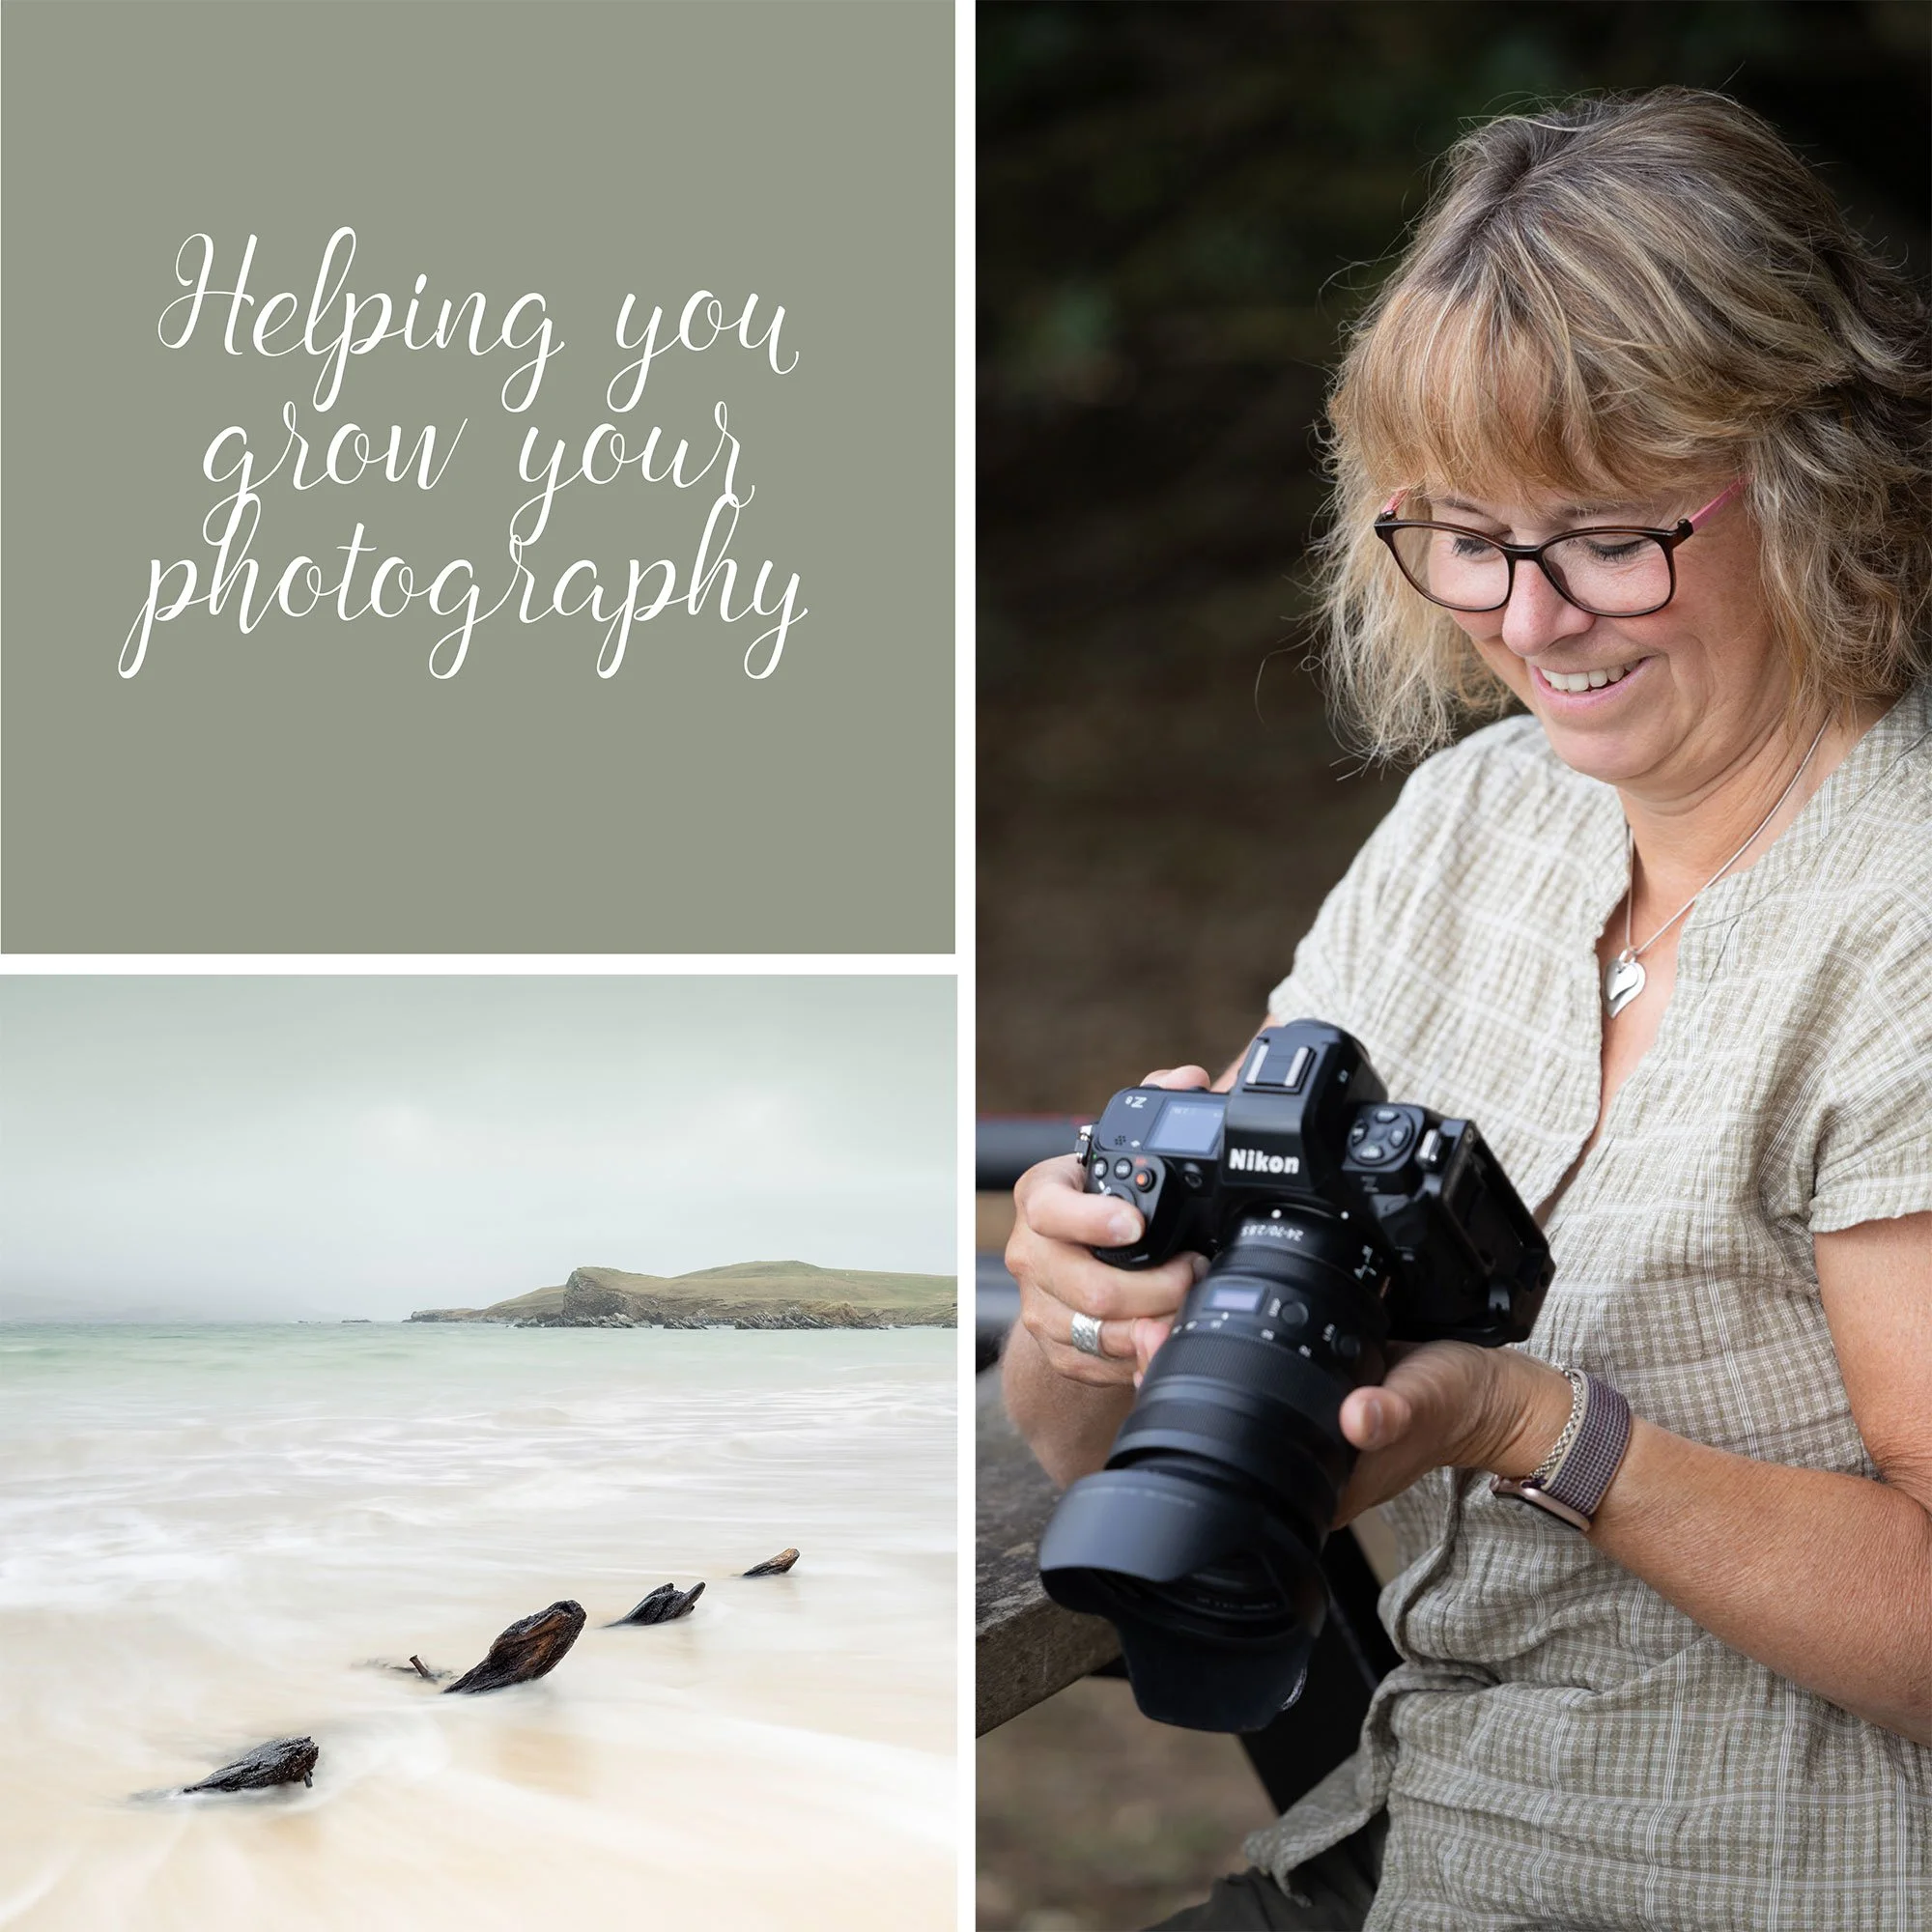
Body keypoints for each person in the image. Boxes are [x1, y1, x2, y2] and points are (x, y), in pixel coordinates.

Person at [1001, 89, 1931, 1930]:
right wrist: (1086, 1304)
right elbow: (1090, 1459)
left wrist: (1532, 1428)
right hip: (1415, 1839)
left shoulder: (1900, 921)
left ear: (1814, 475)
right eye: (1461, 535)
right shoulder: (1474, 825)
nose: (1530, 618)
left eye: (1604, 534)